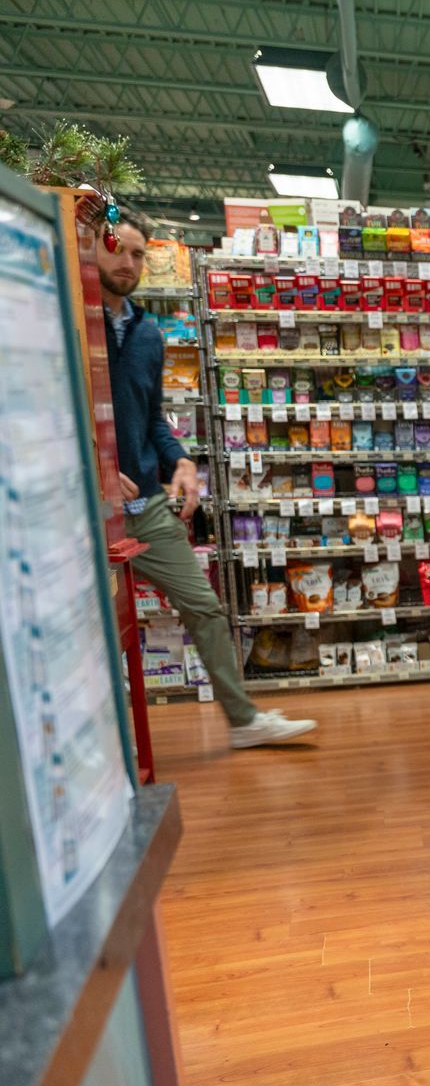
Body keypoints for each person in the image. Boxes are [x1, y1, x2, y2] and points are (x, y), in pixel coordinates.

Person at [98, 214, 316, 749]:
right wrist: (97, 467)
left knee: (205, 606)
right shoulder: (75, 323)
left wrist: (183, 462)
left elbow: (151, 418)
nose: (129, 263)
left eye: (139, 254)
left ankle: (243, 722)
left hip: (145, 505)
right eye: (119, 250)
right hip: (81, 507)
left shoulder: (148, 333)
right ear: (94, 250)